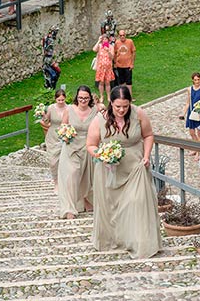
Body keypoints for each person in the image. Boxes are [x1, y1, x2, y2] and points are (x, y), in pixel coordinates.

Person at [86, 85, 162, 259]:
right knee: (111, 206)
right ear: (111, 103)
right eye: (118, 106)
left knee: (137, 202)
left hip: (135, 165)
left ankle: (139, 242)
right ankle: (114, 240)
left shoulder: (139, 114)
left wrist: (147, 155)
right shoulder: (99, 119)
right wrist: (102, 155)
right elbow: (90, 145)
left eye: (125, 106)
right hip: (108, 168)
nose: (121, 110)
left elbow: (148, 135)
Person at [57, 85, 97, 219]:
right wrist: (65, 134)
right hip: (71, 147)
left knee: (86, 177)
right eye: (80, 98)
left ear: (90, 98)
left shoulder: (94, 111)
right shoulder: (69, 110)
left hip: (87, 148)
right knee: (72, 176)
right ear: (77, 98)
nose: (83, 100)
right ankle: (69, 208)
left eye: (86, 98)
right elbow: (63, 126)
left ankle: (86, 200)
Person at [41, 89, 68, 193]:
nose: (61, 102)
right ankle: (56, 182)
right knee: (53, 162)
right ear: (55, 99)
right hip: (53, 136)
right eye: (59, 100)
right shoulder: (52, 108)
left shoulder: (69, 108)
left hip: (65, 136)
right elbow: (47, 121)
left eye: (62, 100)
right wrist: (43, 116)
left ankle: (64, 182)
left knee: (64, 161)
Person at [181, 72, 200, 152]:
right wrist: (183, 113)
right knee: (191, 132)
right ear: (192, 80)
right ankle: (197, 148)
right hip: (191, 112)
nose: (197, 81)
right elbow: (188, 102)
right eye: (195, 80)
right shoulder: (189, 89)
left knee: (199, 133)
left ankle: (199, 150)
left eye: (198, 79)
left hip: (199, 112)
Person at [93, 34, 115, 106]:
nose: (104, 40)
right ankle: (101, 96)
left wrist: (108, 51)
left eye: (105, 39)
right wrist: (98, 41)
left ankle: (108, 96)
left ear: (108, 40)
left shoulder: (111, 47)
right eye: (103, 39)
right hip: (101, 68)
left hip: (108, 68)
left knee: (107, 83)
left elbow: (112, 57)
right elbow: (94, 49)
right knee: (101, 83)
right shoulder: (99, 46)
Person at [113, 30, 136, 98]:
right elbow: (115, 53)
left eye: (123, 35)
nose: (122, 37)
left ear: (125, 35)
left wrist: (132, 63)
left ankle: (130, 96)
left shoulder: (130, 42)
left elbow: (133, 52)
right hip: (119, 65)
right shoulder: (117, 42)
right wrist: (115, 62)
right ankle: (123, 95)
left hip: (128, 65)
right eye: (121, 35)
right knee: (121, 81)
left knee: (129, 82)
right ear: (119, 36)